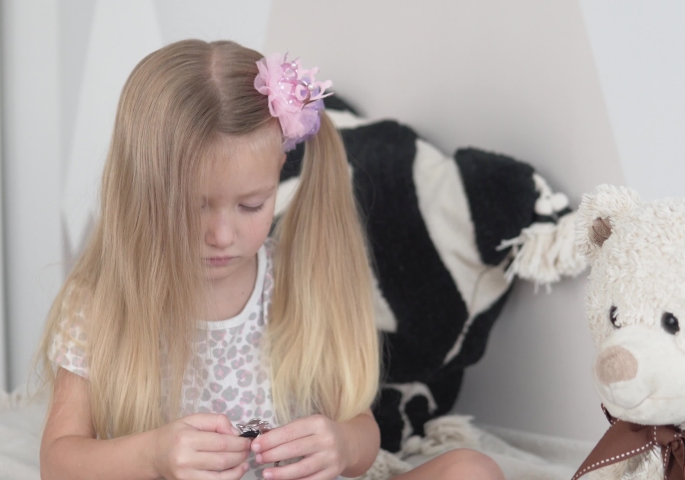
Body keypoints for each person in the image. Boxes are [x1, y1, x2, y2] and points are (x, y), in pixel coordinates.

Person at [36, 39, 504, 480]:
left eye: (251, 205)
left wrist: (342, 444)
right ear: (142, 186)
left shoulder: (300, 282)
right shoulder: (102, 300)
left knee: (470, 469)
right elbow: (59, 461)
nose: (221, 236)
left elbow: (362, 430)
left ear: (279, 171)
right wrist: (154, 454)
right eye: (192, 206)